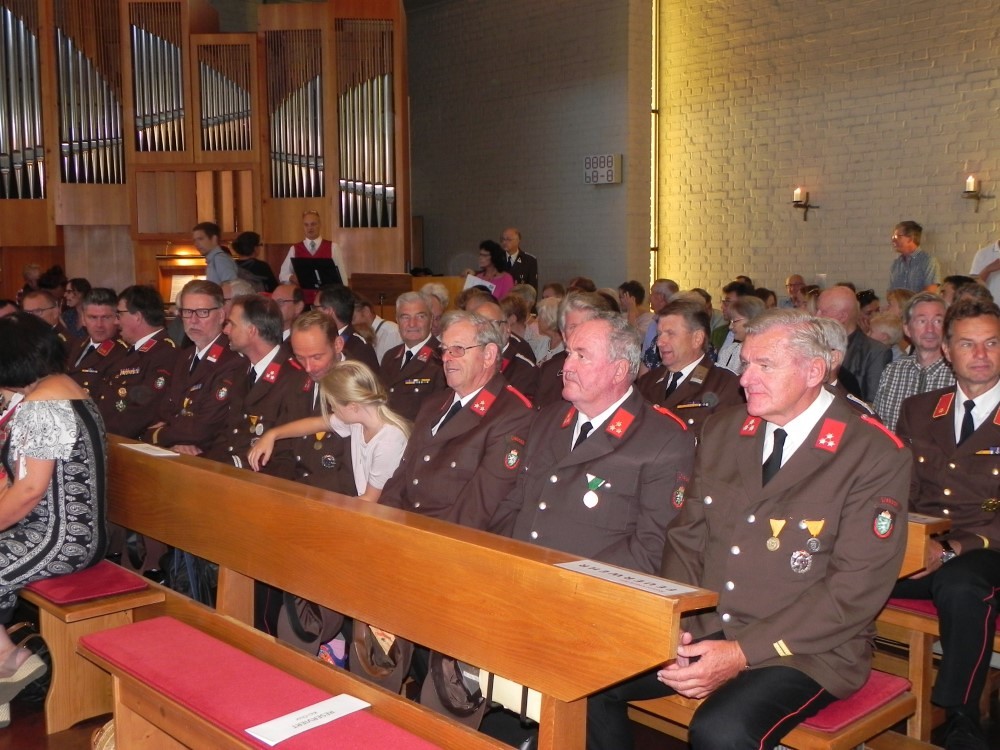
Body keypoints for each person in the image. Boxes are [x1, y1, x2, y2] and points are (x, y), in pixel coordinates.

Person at [587, 309, 911, 750]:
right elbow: (687, 537)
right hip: (709, 622)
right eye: (745, 364)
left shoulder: (871, 452)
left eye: (765, 365)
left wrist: (741, 652)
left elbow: (854, 589)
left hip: (808, 648)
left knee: (722, 731)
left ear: (814, 371)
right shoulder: (725, 429)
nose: (745, 379)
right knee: (593, 674)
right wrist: (678, 627)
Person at [492, 313, 695, 573]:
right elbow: (513, 503)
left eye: (582, 356)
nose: (567, 366)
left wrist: (571, 582)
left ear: (619, 370)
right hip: (518, 572)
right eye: (568, 354)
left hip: (588, 589)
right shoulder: (549, 419)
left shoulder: (663, 440)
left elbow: (652, 549)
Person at [894, 297, 1000, 749]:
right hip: (926, 545)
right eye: (968, 344)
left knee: (960, 585)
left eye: (992, 343)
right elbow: (897, 491)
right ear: (947, 351)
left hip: (987, 550)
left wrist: (954, 549)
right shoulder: (920, 409)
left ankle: (961, 716)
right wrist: (908, 542)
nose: (981, 354)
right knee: (841, 564)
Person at [0, 313, 108, 712]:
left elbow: (29, 491)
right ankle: (7, 663)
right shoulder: (65, 389)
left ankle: (11, 660)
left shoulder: (43, 405)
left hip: (59, 539)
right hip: (72, 533)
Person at [378, 310, 534, 530]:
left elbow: (478, 507)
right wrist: (384, 521)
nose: (446, 358)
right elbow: (401, 477)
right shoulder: (433, 404)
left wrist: (423, 540)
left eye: (458, 349)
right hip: (405, 528)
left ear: (489, 355)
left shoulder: (511, 414)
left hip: (448, 537)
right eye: (444, 350)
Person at [250, 360, 409, 503]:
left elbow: (370, 500)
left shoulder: (388, 440)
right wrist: (272, 434)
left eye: (333, 405)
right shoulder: (360, 420)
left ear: (353, 407)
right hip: (361, 502)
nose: (332, 409)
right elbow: (317, 423)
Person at [204, 294, 312, 474]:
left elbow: (286, 453)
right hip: (231, 469)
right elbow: (227, 432)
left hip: (262, 478)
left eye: (232, 324)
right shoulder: (241, 369)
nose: (226, 330)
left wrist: (229, 467)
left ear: (252, 331)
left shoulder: (294, 378)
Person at [144, 280, 243, 454]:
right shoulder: (184, 356)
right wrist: (174, 440)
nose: (193, 320)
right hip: (177, 451)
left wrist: (159, 434)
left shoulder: (232, 360)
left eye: (203, 312)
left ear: (221, 315)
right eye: (187, 312)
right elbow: (163, 410)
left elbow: (204, 428)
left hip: (211, 455)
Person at [636, 299, 743, 434]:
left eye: (670, 333)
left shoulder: (725, 385)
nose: (659, 342)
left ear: (697, 338)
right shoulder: (648, 382)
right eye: (659, 334)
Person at [96, 286, 176, 439]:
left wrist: (99, 433)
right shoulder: (129, 350)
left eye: (119, 314)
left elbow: (143, 410)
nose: (115, 321)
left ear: (138, 317)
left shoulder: (164, 354)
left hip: (127, 441)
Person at [378, 292, 446, 422]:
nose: (412, 324)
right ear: (397, 320)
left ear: (431, 320)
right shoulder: (390, 356)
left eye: (420, 317)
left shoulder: (441, 359)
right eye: (405, 317)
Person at [817, 285, 891, 402]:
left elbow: (873, 402)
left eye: (823, 312)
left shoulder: (875, 352)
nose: (817, 316)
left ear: (842, 317)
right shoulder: (815, 346)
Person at [278, 210, 349, 305]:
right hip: (302, 303)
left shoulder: (333, 247)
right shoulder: (294, 249)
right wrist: (291, 277)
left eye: (313, 224)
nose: (310, 228)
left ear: (319, 225)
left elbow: (343, 279)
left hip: (327, 303)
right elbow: (282, 275)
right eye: (306, 225)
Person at [67, 288, 127, 395]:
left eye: (106, 317)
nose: (99, 325)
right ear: (83, 319)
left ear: (117, 318)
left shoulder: (124, 352)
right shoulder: (75, 345)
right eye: (93, 317)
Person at [314, 286, 380, 372]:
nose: (313, 313)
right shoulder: (321, 339)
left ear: (328, 311)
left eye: (315, 308)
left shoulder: (359, 348)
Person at [716, 295, 765, 374]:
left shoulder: (765, 353)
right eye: (730, 321)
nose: (730, 327)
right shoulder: (731, 350)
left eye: (735, 321)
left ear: (753, 320)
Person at [889, 220, 939, 293]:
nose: (893, 240)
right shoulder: (896, 264)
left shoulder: (928, 261)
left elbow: (930, 292)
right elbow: (891, 292)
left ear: (910, 239)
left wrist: (911, 300)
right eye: (893, 236)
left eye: (897, 236)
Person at [353, 295, 402, 364]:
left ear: (366, 311)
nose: (351, 323)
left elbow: (391, 367)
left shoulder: (391, 332)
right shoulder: (358, 335)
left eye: (353, 318)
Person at [192, 221, 238, 285]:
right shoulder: (214, 259)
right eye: (194, 240)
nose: (196, 244)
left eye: (200, 239)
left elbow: (231, 287)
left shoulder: (220, 259)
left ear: (214, 239)